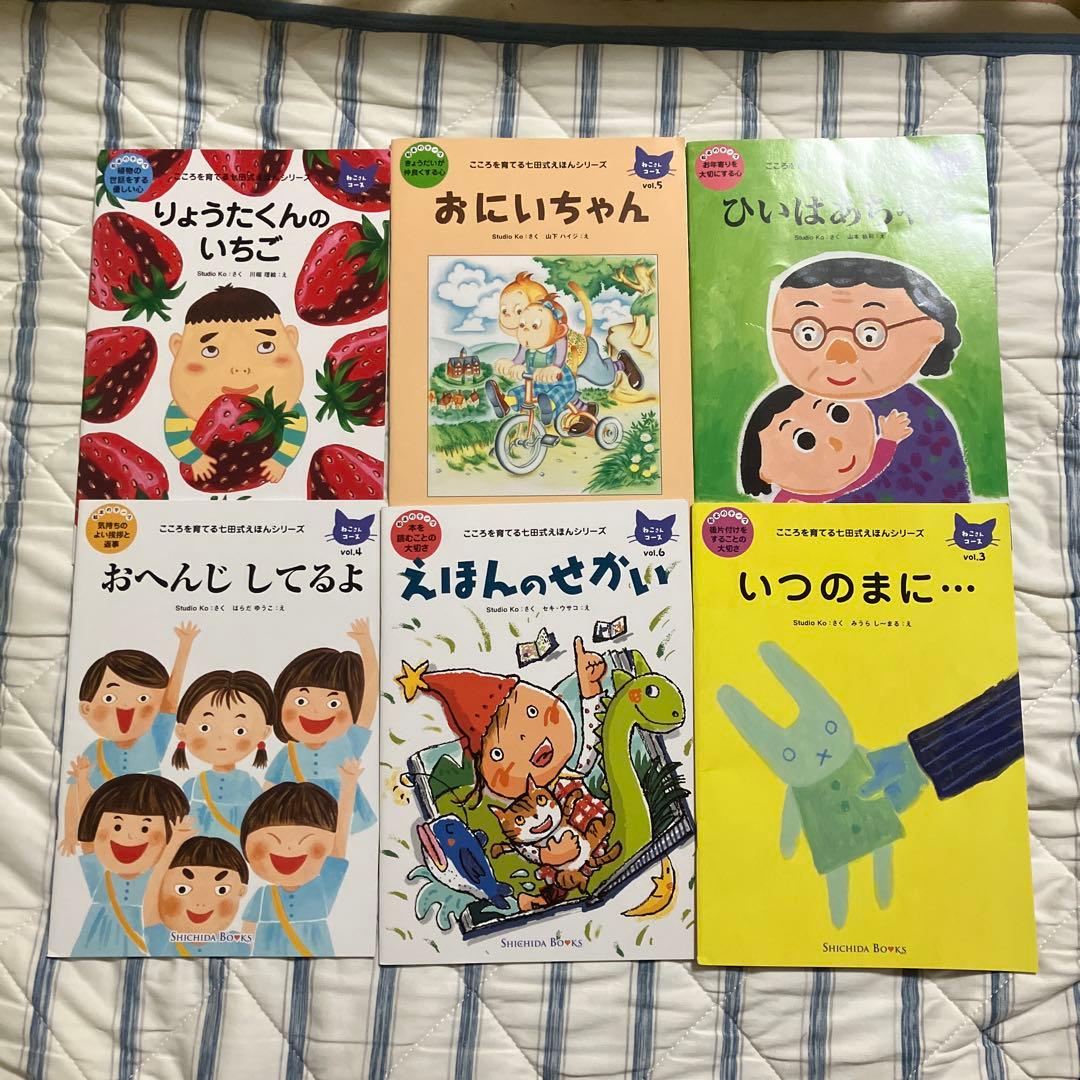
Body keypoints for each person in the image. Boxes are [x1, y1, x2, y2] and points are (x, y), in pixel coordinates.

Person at [766, 253, 969, 502]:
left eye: (870, 334)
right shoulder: (790, 409)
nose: (839, 357)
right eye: (808, 333)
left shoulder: (916, 416)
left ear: (932, 332)